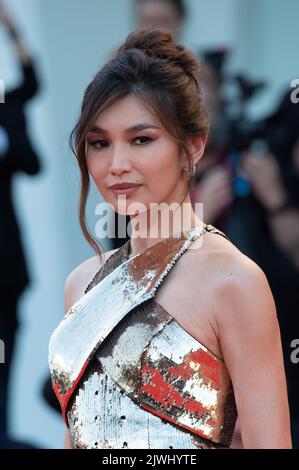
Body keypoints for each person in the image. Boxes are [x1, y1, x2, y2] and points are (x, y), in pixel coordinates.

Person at [48, 27, 292, 449]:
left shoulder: (235, 283)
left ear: (193, 147)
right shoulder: (80, 284)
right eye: (99, 143)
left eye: (141, 139)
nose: (117, 164)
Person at [0, 1, 40, 448]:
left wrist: (12, 30)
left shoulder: (7, 106)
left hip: (6, 260)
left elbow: (33, 82)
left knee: (5, 348)